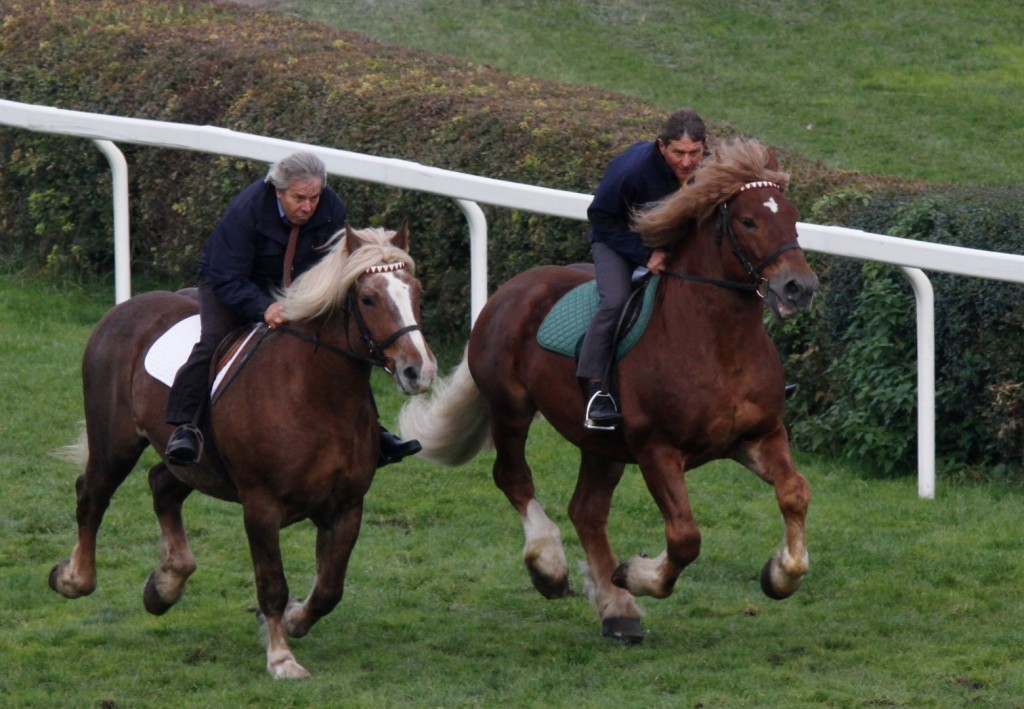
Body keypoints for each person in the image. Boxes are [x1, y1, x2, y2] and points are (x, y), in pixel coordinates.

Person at [164, 152, 421, 466]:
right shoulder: (247, 210)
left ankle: (374, 432)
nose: (308, 207)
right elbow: (226, 275)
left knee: (342, 344)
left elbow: (334, 262)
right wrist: (263, 307)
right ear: (278, 191)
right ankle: (185, 427)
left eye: (314, 197)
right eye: (299, 198)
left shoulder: (331, 206)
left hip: (293, 286)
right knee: (214, 339)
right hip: (230, 281)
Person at [577, 108, 708, 430]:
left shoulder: (711, 169)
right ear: (661, 146)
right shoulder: (632, 171)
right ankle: (597, 391)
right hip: (617, 241)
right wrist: (645, 254)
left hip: (671, 244)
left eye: (695, 153)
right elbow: (601, 218)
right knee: (615, 300)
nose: (687, 163)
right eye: (678, 153)